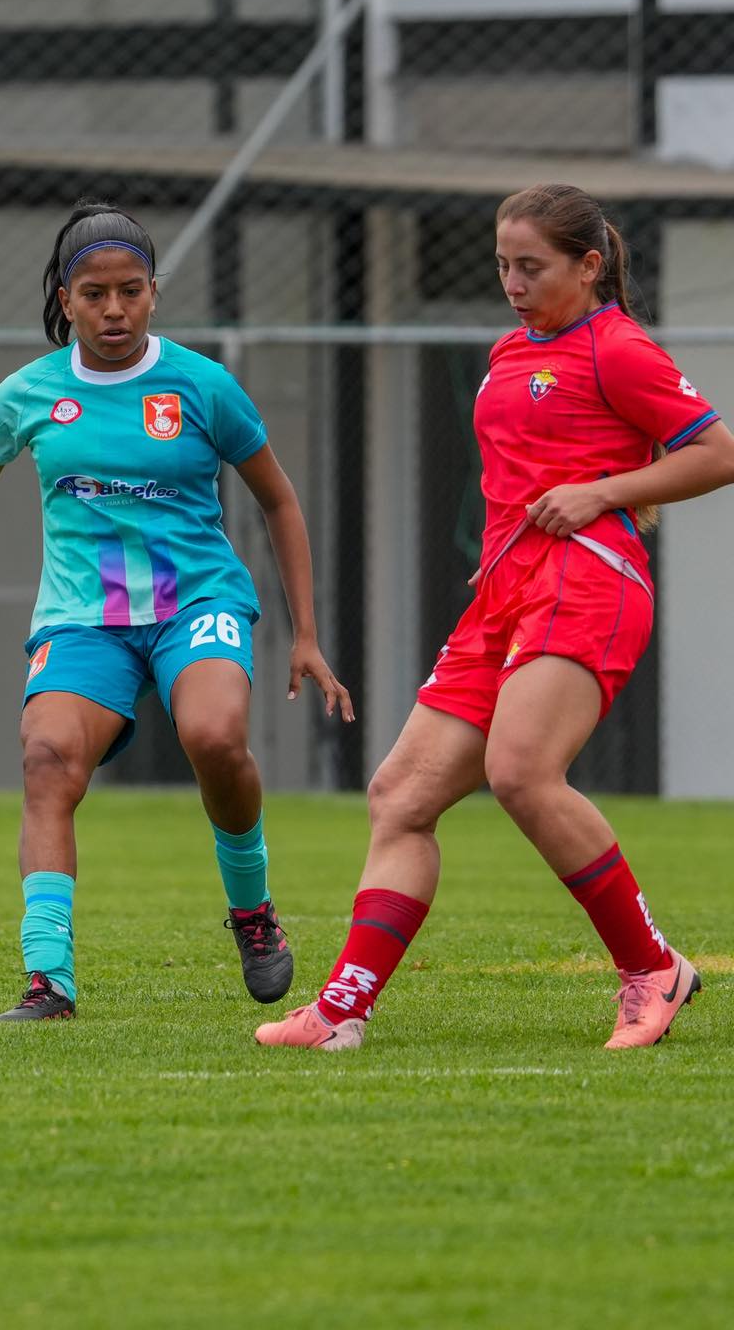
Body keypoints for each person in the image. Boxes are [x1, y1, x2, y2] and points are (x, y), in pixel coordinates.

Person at [0, 201, 352, 1021]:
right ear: (65, 297)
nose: (114, 310)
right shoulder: (28, 394)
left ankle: (253, 911)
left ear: (153, 293)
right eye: (95, 293)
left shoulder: (203, 386)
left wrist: (306, 634)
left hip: (197, 600)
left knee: (214, 737)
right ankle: (49, 981)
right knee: (47, 760)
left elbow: (278, 500)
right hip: (83, 617)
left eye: (131, 292)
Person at [257, 181, 734, 1053]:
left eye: (532, 267)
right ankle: (340, 1012)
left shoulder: (619, 348)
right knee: (400, 797)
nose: (512, 283)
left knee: (522, 773)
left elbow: (716, 453)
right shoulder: (512, 351)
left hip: (589, 581)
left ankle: (652, 970)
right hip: (504, 597)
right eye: (503, 266)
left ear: (590, 267)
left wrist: (601, 493)